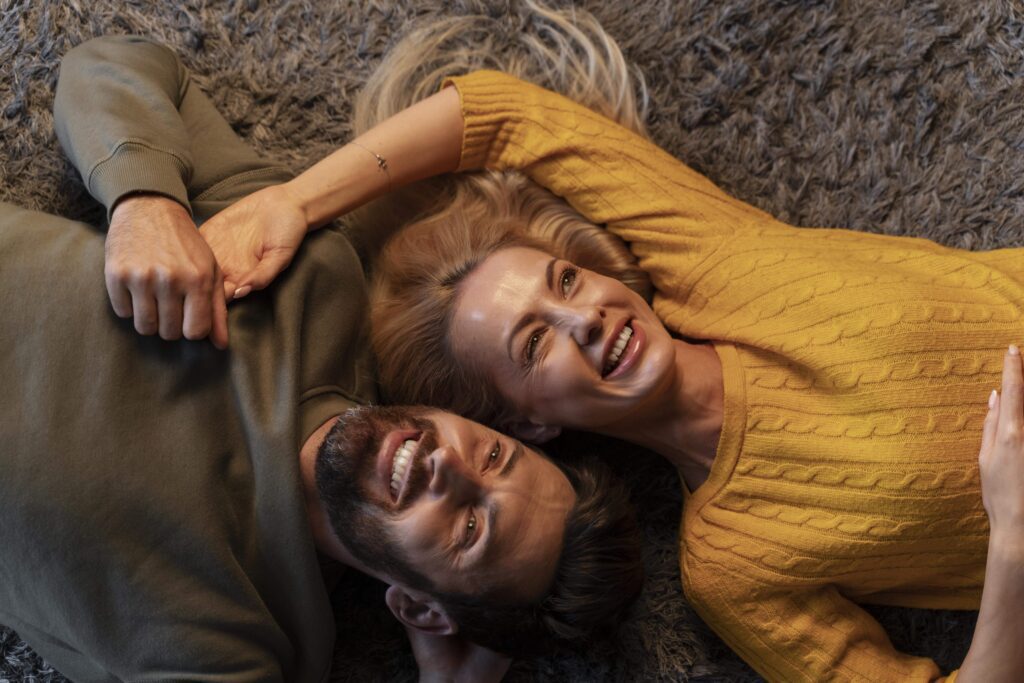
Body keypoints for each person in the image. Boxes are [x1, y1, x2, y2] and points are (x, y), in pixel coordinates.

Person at [197, 6, 1024, 682]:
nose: (583, 317)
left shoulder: (713, 259)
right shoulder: (731, 564)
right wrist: (1011, 537)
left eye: (562, 283)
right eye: (531, 346)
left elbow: (500, 114)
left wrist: (294, 203)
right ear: (526, 426)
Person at [0, 35, 644, 682]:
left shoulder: (242, 640)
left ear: (420, 608)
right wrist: (146, 201)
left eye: (472, 525)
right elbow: (114, 63)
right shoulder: (313, 282)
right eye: (494, 456)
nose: (448, 464)